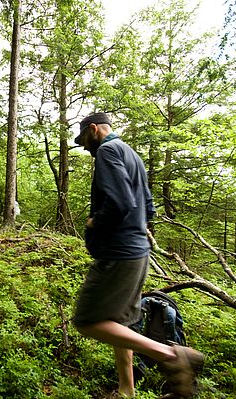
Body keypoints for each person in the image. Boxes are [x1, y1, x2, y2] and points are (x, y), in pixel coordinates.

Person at [72, 112, 204, 398]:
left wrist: (95, 222)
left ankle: (171, 356)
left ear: (94, 129)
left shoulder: (107, 151)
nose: (84, 147)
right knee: (122, 322)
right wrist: (134, 230)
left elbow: (120, 202)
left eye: (84, 139)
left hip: (118, 254)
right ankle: (126, 390)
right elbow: (148, 206)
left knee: (86, 321)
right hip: (136, 251)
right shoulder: (131, 153)